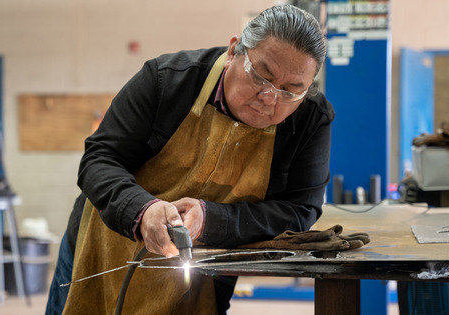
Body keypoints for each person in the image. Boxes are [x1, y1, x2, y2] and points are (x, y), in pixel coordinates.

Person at [46, 4, 333, 314]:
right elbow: (99, 160)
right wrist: (142, 212)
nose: (269, 98)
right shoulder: (166, 80)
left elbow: (300, 208)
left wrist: (212, 219)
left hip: (203, 269)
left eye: (291, 91)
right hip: (104, 247)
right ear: (234, 51)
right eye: (261, 77)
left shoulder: (310, 119)